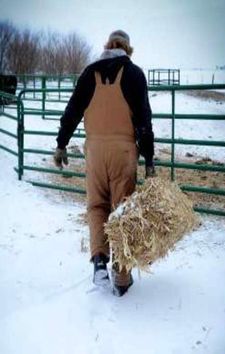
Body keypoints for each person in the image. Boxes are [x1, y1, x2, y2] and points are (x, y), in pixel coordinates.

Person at [54, 30, 155, 296]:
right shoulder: (134, 74)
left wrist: (61, 144)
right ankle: (121, 278)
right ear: (127, 49)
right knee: (122, 209)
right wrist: (149, 159)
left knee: (97, 205)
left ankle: (99, 261)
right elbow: (144, 120)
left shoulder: (89, 73)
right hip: (123, 152)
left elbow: (73, 110)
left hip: (95, 151)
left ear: (107, 46)